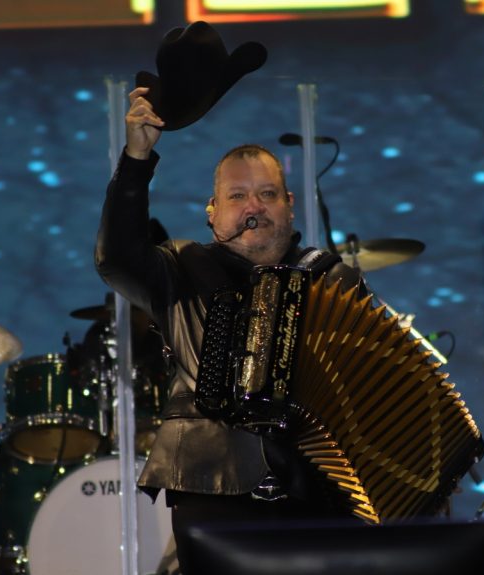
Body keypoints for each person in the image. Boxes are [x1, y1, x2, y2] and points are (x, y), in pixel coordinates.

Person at [95, 86, 364, 572]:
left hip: (317, 486)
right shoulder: (178, 268)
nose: (253, 207)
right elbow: (115, 258)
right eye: (237, 196)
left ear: (289, 204)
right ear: (212, 210)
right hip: (209, 481)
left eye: (266, 194)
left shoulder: (334, 280)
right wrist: (137, 161)